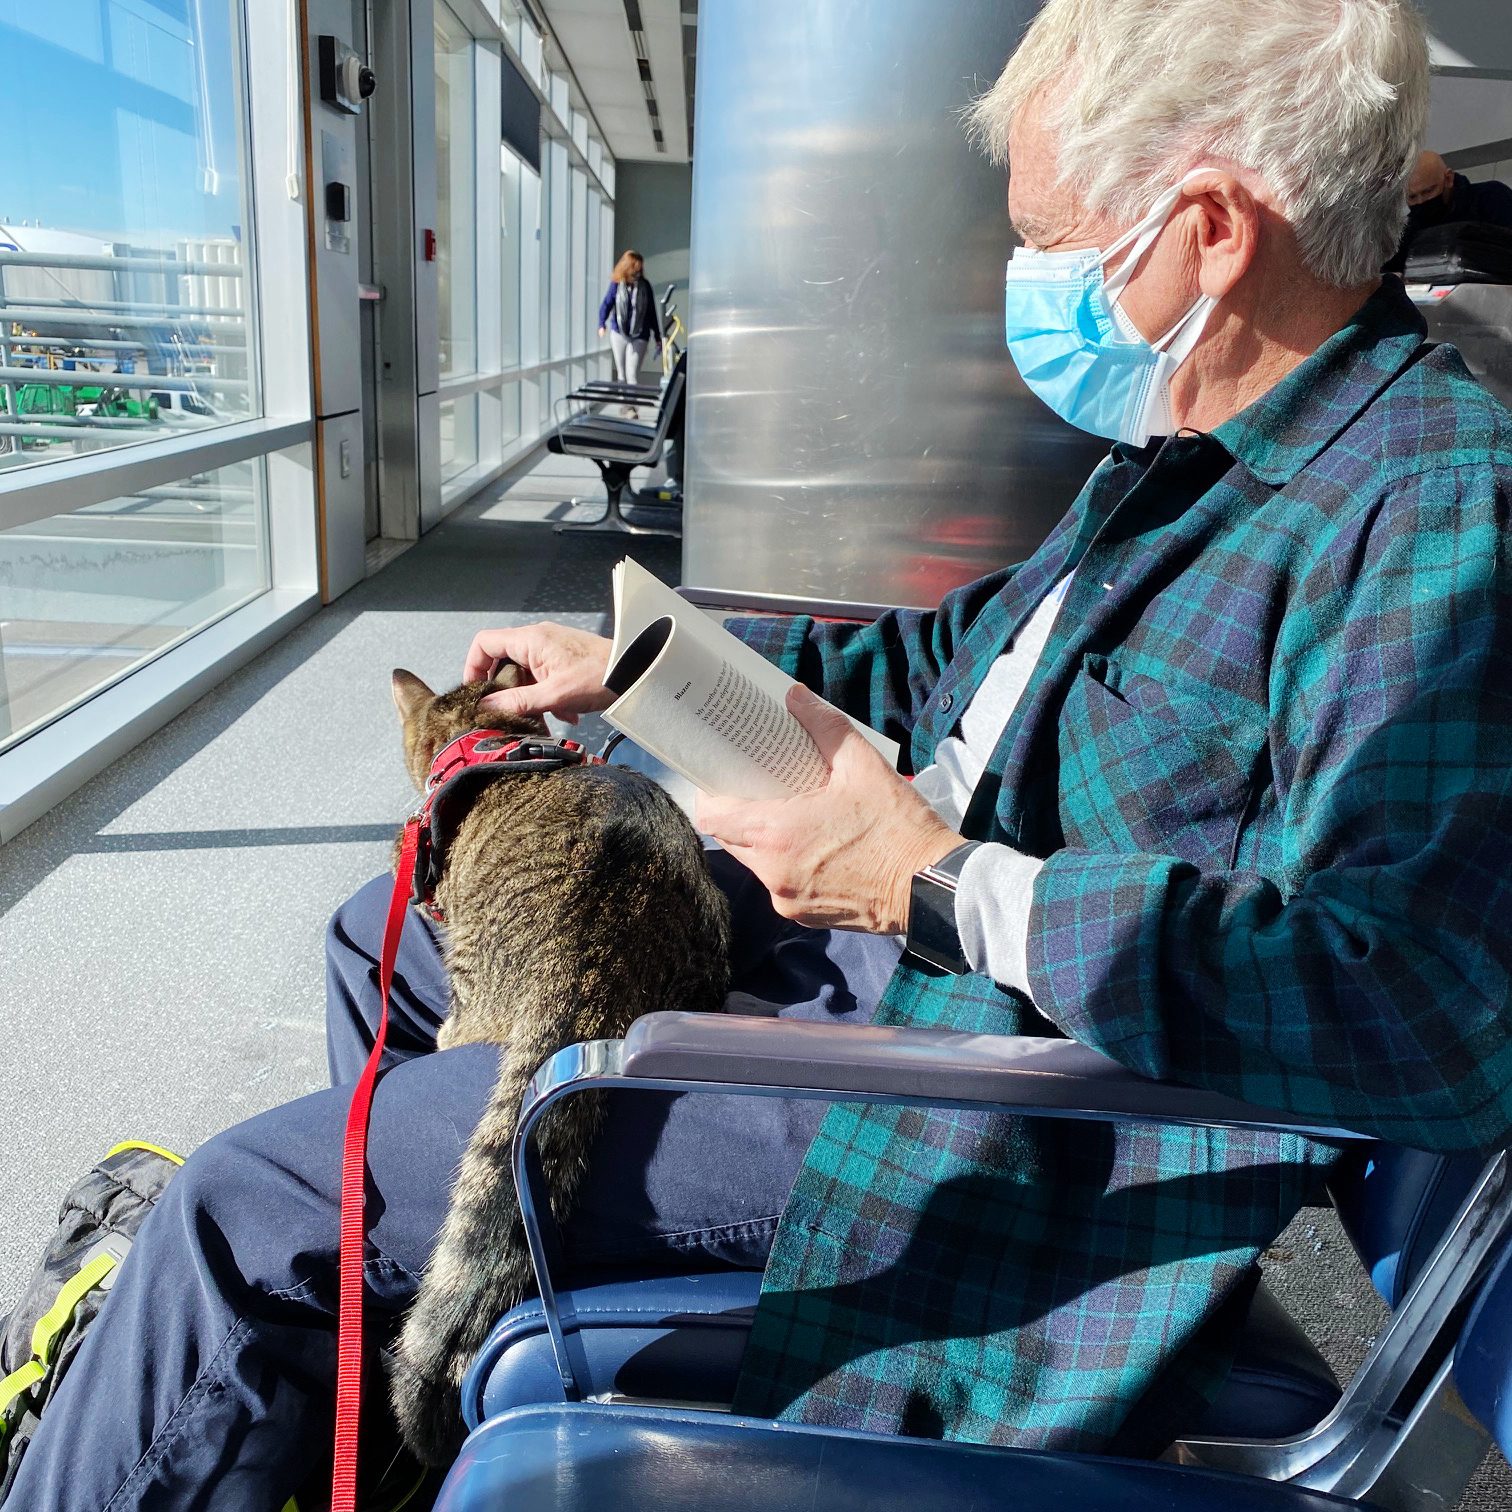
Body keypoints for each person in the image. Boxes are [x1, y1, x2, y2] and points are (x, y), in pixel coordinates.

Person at [12, 0, 1512, 1504]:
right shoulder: (1189, 452)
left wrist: (934, 884)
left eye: (1054, 239)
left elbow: (1429, 1016)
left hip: (994, 1106)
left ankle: (365, 1283)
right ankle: (427, 1325)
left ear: (1207, 229)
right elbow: (943, 668)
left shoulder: (1428, 506)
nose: (1033, 281)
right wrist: (634, 676)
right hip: (914, 981)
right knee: (387, 927)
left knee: (248, 1211)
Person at [1386, 149, 1512, 269]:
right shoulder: (1407, 230)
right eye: (1412, 197)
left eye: (1428, 191)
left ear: (1448, 179)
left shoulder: (1492, 198)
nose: (1421, 201)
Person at [596, 248, 662, 391]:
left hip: (640, 335)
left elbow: (651, 312)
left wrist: (657, 336)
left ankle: (632, 408)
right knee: (621, 375)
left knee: (632, 374)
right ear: (627, 268)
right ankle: (624, 405)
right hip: (619, 332)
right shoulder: (617, 285)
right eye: (635, 269)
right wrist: (601, 324)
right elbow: (607, 304)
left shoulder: (645, 286)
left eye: (640, 269)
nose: (638, 273)